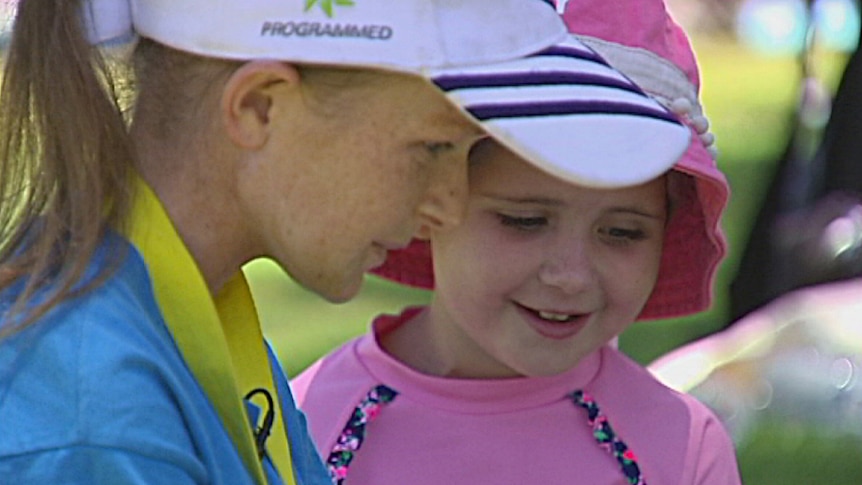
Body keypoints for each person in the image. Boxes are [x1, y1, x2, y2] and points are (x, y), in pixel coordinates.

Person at [0, 1, 695, 484]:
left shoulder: (182, 320)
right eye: (432, 147)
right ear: (260, 106)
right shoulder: (99, 417)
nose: (447, 203)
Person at [293, 0, 740, 483]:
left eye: (622, 232)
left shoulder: (680, 448)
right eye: (525, 221)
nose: (570, 276)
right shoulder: (305, 425)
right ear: (429, 201)